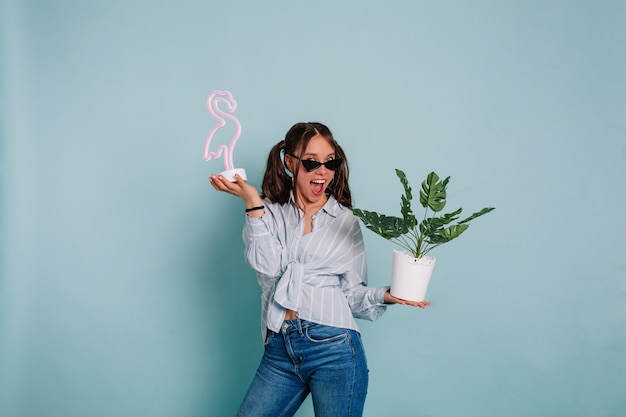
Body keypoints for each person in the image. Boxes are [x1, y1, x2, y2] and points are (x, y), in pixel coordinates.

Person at [209, 122, 429, 417]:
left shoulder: (346, 221)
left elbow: (350, 294)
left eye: (331, 162)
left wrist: (388, 295)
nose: (323, 171)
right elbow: (268, 266)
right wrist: (252, 202)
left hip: (335, 349)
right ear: (290, 162)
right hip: (280, 348)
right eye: (312, 162)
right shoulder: (268, 212)